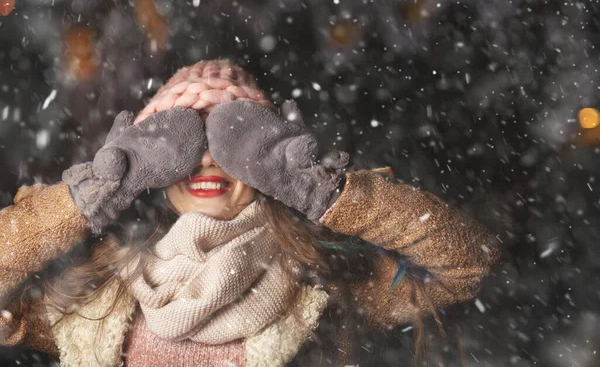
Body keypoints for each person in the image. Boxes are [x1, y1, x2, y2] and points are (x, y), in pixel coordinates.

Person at [0, 60, 500, 366]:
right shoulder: (100, 294)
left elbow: (466, 263)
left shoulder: (319, 287)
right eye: (183, 141)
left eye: (231, 140)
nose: (207, 159)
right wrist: (95, 192)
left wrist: (325, 194)